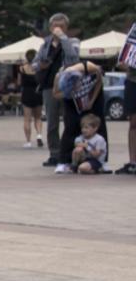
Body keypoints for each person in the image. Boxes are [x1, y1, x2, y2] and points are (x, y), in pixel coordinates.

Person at [34, 13, 80, 167]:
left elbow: (74, 59)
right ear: (50, 27)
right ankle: (54, 153)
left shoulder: (73, 41)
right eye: (55, 26)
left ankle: (68, 152)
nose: (58, 29)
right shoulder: (45, 44)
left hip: (67, 85)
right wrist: (41, 65)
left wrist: (63, 39)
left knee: (69, 119)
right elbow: (34, 64)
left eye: (61, 26)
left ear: (66, 27)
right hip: (49, 86)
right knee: (52, 122)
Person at [55, 60, 107, 174]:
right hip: (71, 100)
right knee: (70, 126)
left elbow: (99, 81)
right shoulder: (59, 76)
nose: (76, 86)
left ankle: (102, 162)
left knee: (96, 122)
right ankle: (63, 161)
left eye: (76, 84)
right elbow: (55, 94)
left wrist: (92, 100)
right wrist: (69, 93)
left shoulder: (88, 67)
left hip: (93, 93)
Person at [115, 21, 136, 176]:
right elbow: (121, 62)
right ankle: (133, 162)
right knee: (134, 123)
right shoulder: (133, 36)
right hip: (133, 82)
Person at [18, 49, 44, 149]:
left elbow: (19, 83)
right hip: (37, 93)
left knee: (27, 119)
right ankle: (39, 135)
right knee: (38, 117)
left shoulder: (22, 69)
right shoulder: (38, 69)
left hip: (26, 94)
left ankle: (28, 141)